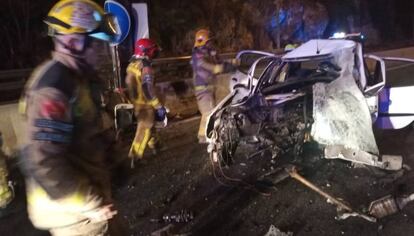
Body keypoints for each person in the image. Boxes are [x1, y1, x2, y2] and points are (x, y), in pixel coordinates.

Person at [18, 0, 123, 235]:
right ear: (75, 42)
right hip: (76, 218)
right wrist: (91, 203)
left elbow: (87, 132)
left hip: (90, 207)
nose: (100, 51)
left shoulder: (78, 79)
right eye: (96, 44)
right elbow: (44, 161)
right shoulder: (54, 88)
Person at [191, 29, 239, 143]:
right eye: (208, 42)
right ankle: (204, 138)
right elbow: (206, 65)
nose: (210, 43)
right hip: (202, 88)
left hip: (212, 86)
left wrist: (232, 62)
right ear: (202, 42)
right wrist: (217, 68)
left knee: (214, 111)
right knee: (208, 112)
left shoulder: (211, 51)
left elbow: (219, 61)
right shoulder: (197, 55)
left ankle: (206, 136)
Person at [125, 38, 166, 167]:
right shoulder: (146, 68)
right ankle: (135, 156)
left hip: (137, 103)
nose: (154, 54)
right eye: (152, 51)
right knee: (144, 129)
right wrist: (158, 106)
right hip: (146, 104)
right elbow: (148, 89)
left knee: (150, 126)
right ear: (145, 52)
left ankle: (156, 145)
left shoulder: (132, 65)